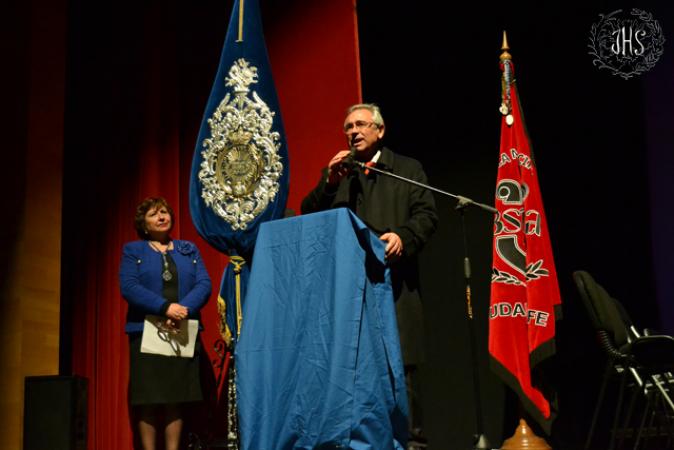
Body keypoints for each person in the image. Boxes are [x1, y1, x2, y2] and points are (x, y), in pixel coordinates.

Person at [301, 103, 438, 440]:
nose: (353, 132)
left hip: (394, 287)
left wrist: (402, 237)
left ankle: (412, 442)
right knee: (354, 369)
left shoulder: (405, 169)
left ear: (380, 130)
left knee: (401, 368)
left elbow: (427, 215)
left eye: (360, 124)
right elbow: (308, 215)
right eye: (348, 127)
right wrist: (330, 184)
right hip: (348, 291)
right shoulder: (339, 174)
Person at [119, 197, 212, 450]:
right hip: (146, 331)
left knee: (176, 397)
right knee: (148, 399)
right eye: (153, 214)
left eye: (164, 212)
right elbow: (129, 287)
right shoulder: (133, 251)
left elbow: (204, 284)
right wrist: (165, 308)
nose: (161, 217)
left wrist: (184, 309)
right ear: (144, 225)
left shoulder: (188, 248)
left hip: (181, 330)